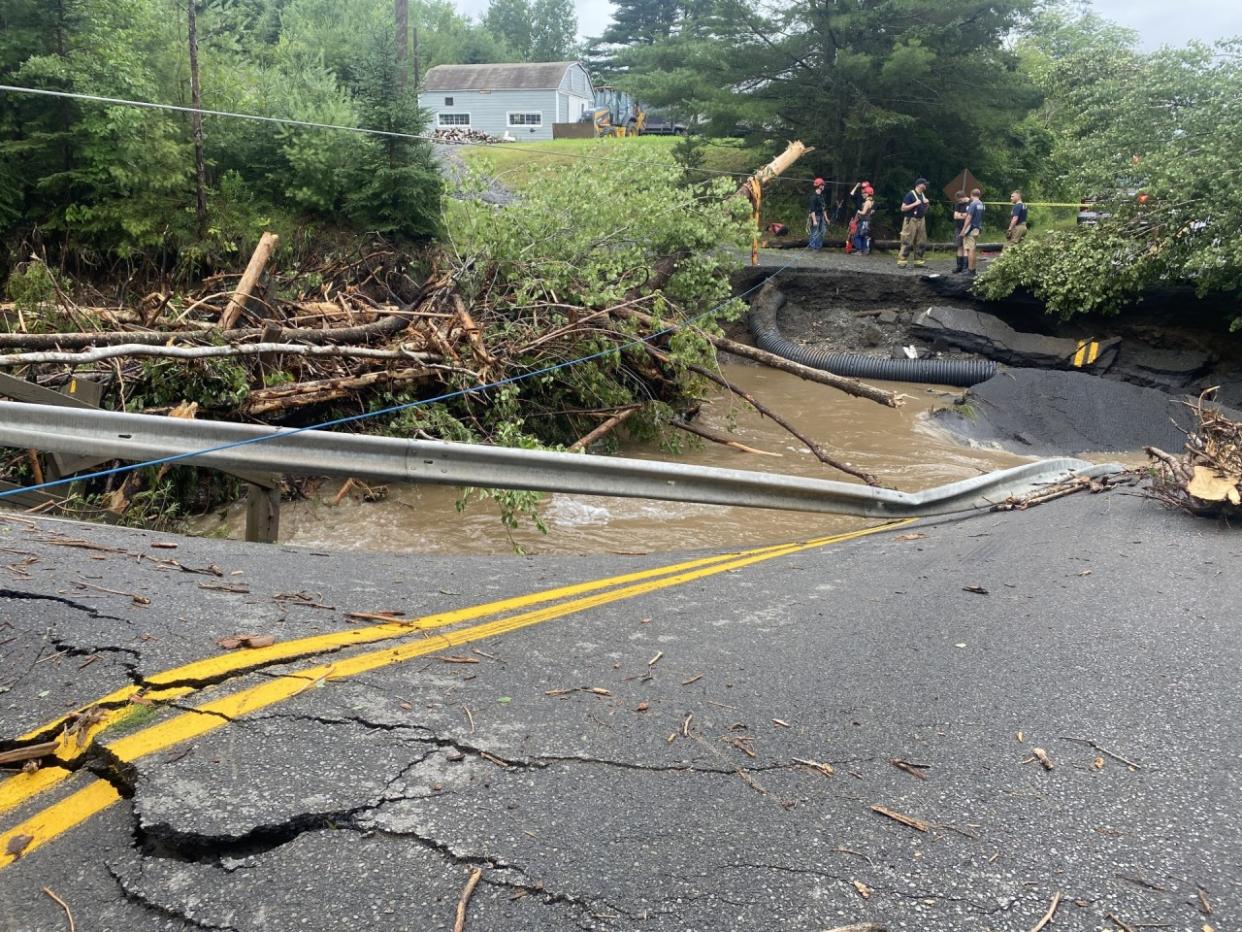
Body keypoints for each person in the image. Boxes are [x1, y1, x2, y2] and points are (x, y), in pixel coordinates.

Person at [896, 177, 930, 268]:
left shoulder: (923, 195)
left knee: (921, 241)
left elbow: (924, 210)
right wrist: (915, 204)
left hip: (921, 219)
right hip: (911, 219)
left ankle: (918, 262)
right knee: (907, 241)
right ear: (919, 185)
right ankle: (902, 262)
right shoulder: (910, 195)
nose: (926, 185)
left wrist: (927, 204)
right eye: (924, 184)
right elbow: (903, 208)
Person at [962, 188, 985, 275]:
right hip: (977, 228)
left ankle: (970, 270)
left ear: (971, 195)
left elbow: (969, 217)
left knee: (970, 250)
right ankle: (973, 269)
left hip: (971, 228)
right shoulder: (981, 204)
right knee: (973, 249)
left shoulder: (973, 204)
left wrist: (964, 229)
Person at [852, 183, 875, 255]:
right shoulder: (871, 201)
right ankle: (864, 250)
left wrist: (858, 211)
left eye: (865, 193)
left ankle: (859, 251)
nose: (863, 194)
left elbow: (863, 212)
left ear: (868, 194)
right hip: (867, 221)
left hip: (863, 221)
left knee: (857, 235)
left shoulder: (867, 202)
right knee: (864, 236)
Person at [952, 190, 970, 273]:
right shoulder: (958, 204)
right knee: (959, 246)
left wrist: (961, 215)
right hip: (958, 227)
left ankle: (965, 267)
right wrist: (963, 215)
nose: (958, 202)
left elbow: (969, 216)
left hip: (968, 228)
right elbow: (955, 216)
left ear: (964, 197)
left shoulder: (970, 203)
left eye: (959, 200)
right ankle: (959, 266)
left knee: (966, 247)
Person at [807, 178, 828, 251]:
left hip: (822, 216)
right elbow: (812, 210)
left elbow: (824, 208)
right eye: (823, 185)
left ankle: (818, 247)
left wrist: (826, 218)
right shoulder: (813, 197)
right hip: (816, 217)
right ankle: (813, 247)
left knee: (823, 232)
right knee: (815, 232)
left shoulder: (821, 196)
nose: (823, 186)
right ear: (820, 186)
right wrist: (814, 220)